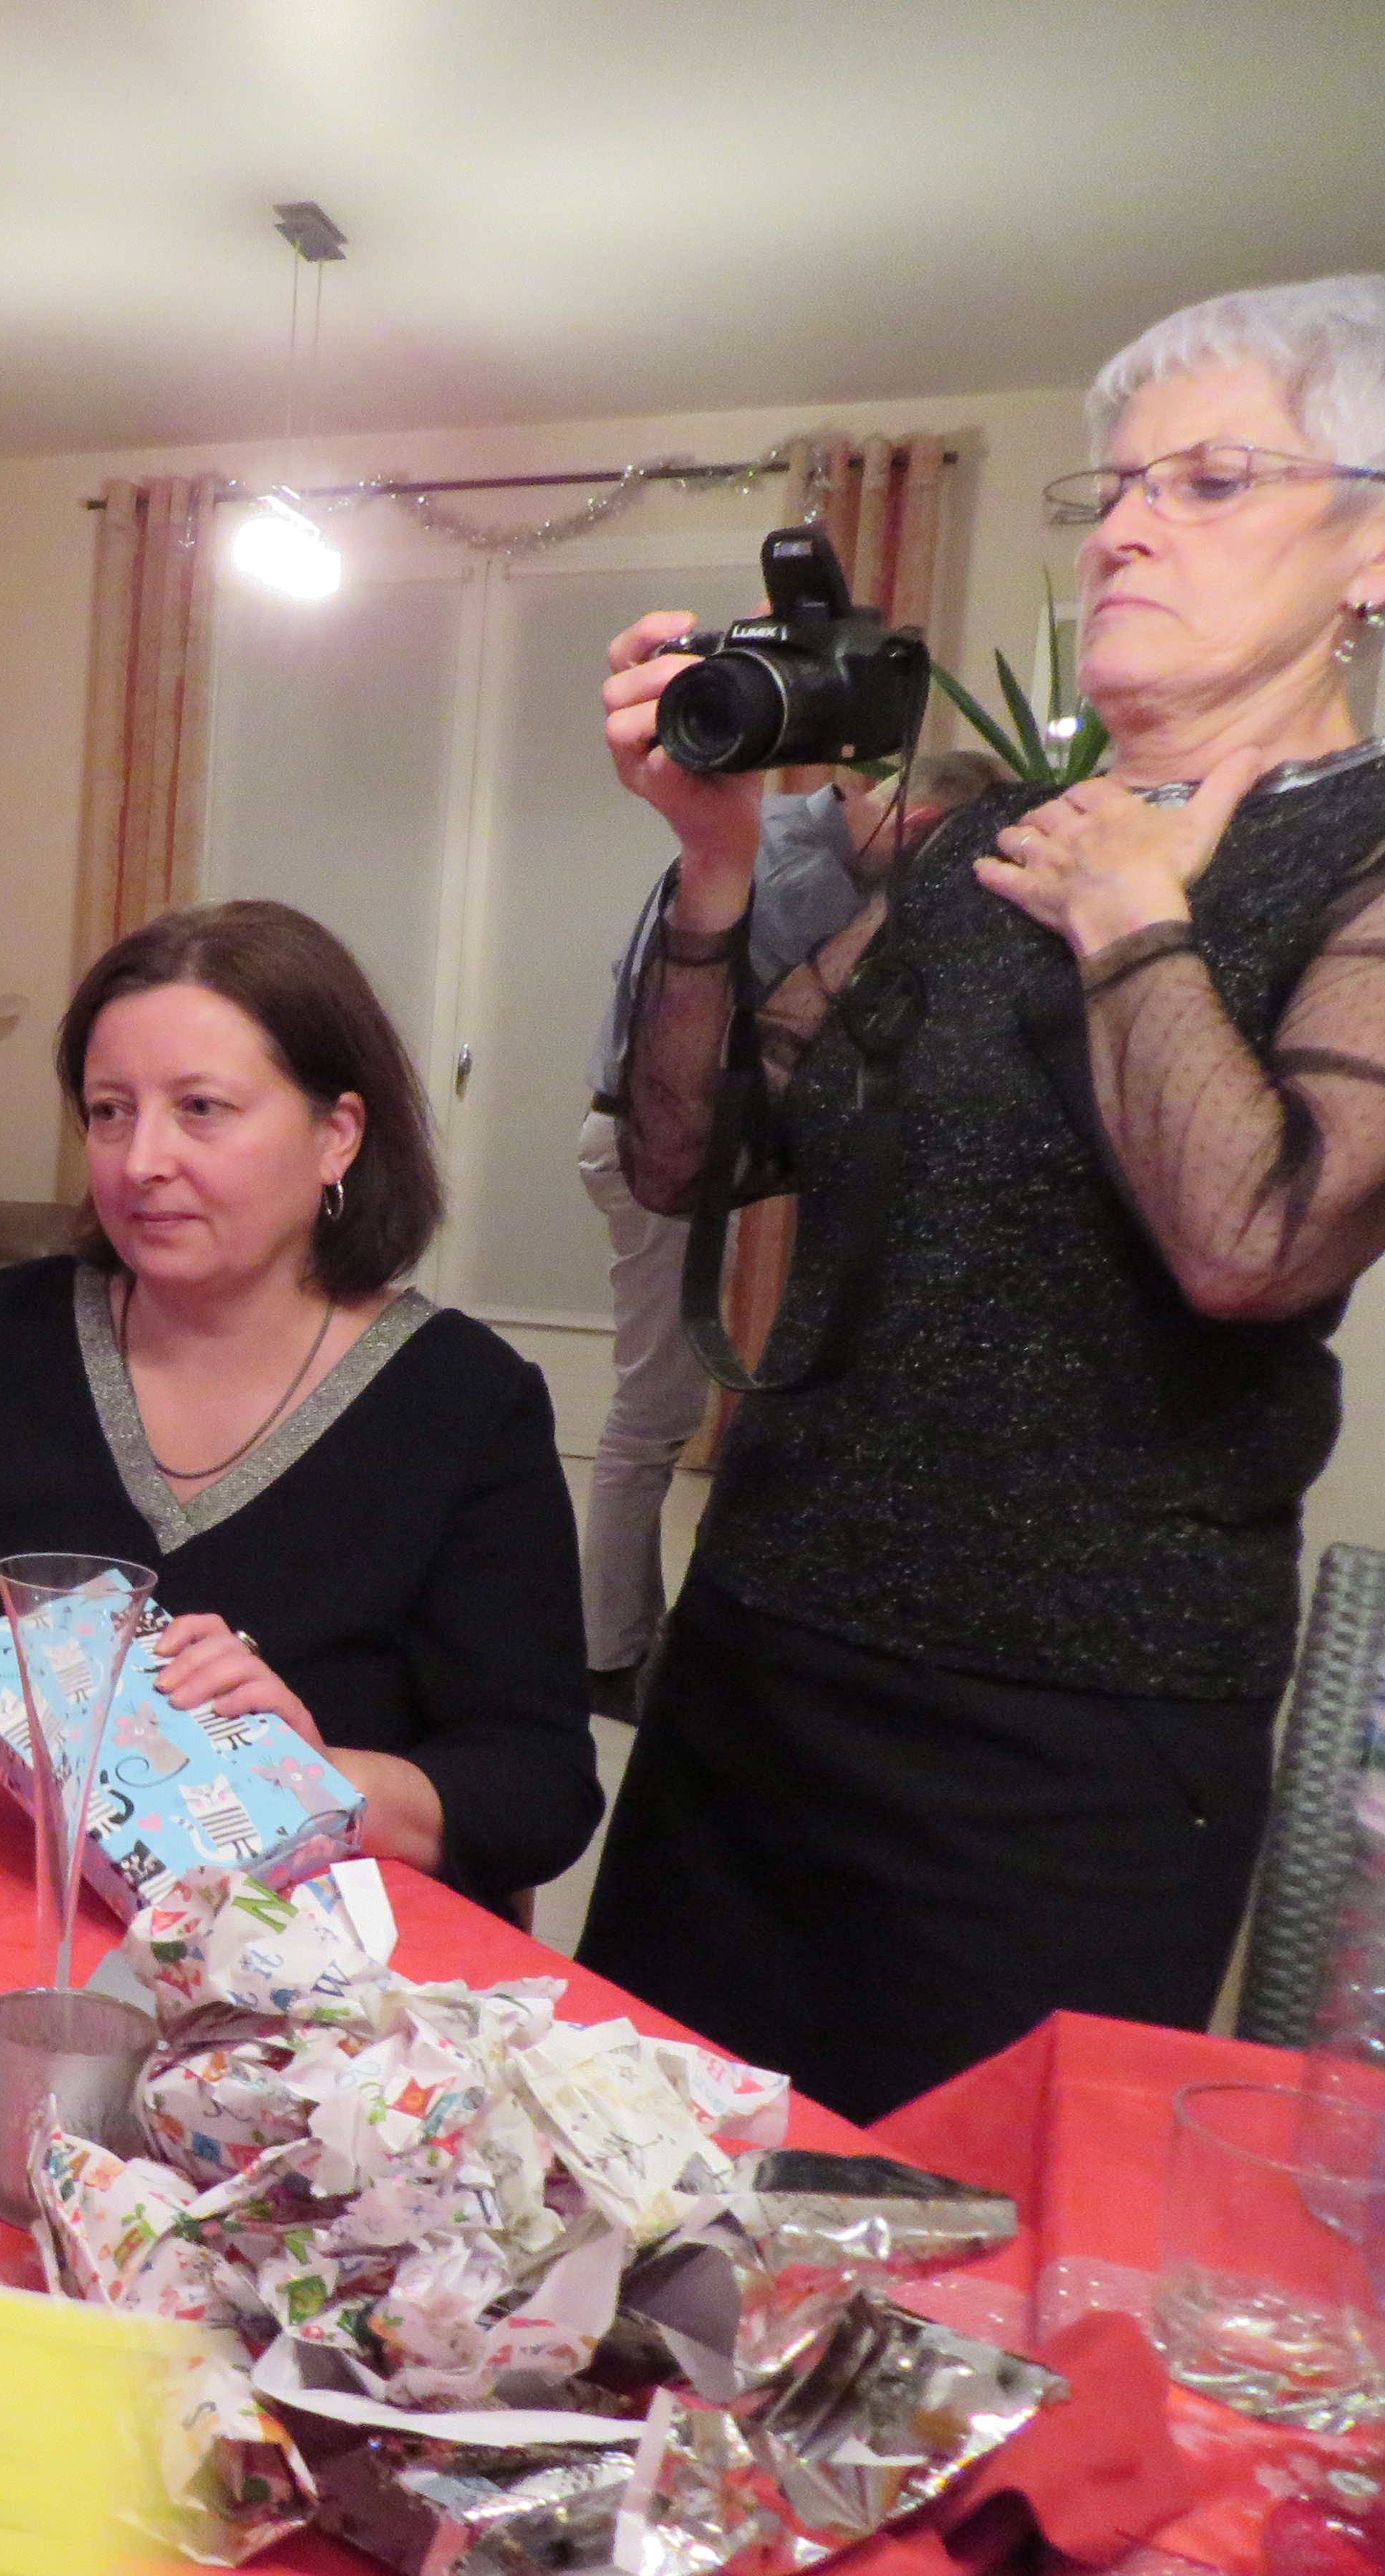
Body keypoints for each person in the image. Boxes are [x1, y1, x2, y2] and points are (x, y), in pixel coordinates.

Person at [579, 273, 1385, 2121]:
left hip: (1069, 1736)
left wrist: (1133, 912)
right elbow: (691, 1158)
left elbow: (1256, 1243)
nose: (1121, 531)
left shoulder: (1360, 849)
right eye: (1110, 491)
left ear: (1369, 550)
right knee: (642, 2179)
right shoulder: (976, 854)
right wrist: (712, 863)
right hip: (761, 1648)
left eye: (1207, 482)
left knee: (950, 2237)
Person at [0, 901, 599, 1904]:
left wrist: (314, 1779)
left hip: (312, 1959)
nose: (141, 1159)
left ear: (337, 1136)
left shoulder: (463, 1399)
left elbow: (538, 1788)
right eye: (111, 1111)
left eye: (201, 1108)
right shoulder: (16, 1334)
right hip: (29, 1925)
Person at [577, 753, 995, 1720]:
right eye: (937, 861)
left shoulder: (771, 832)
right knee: (652, 1412)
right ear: (917, 824)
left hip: (643, 1139)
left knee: (661, 1405)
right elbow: (749, 1041)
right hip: (648, 1147)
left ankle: (622, 1640)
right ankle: (604, 1655)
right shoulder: (804, 882)